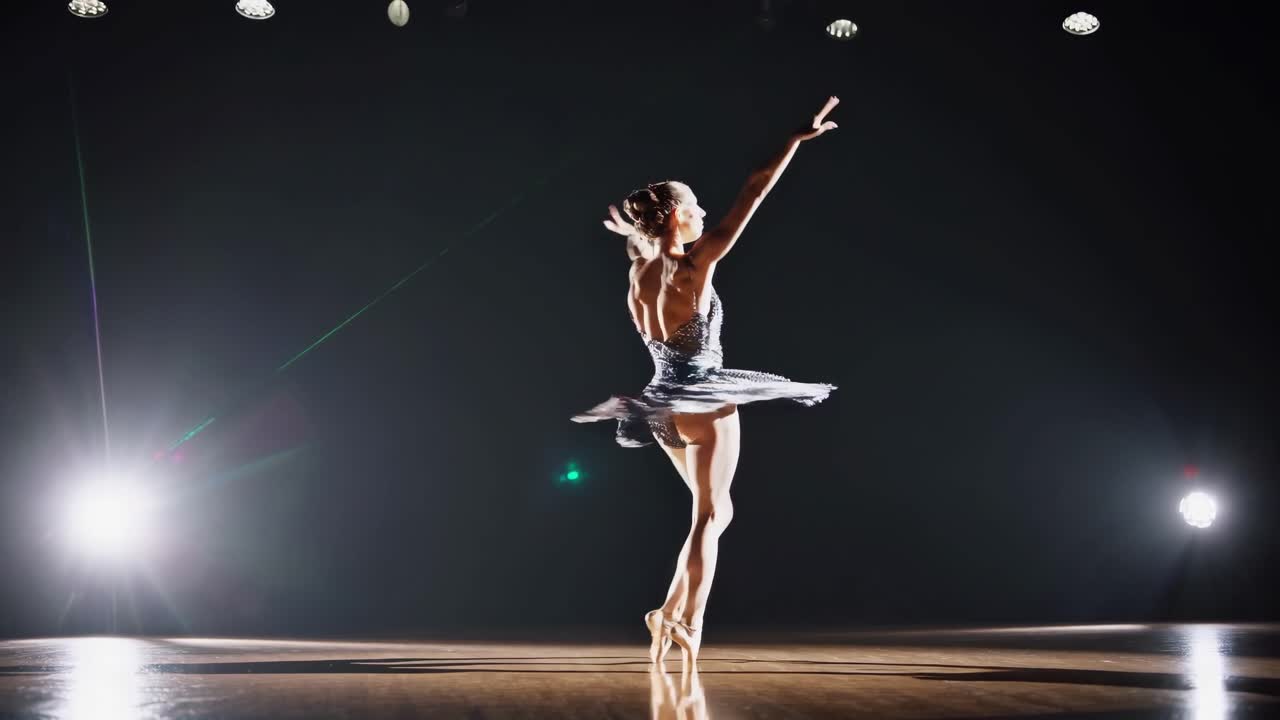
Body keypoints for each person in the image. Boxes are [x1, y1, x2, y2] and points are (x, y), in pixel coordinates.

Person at [572, 96, 841, 666]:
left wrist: (636, 229)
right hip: (704, 398)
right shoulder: (697, 266)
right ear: (674, 216)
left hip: (659, 407)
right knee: (709, 516)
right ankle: (686, 622)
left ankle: (665, 613)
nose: (703, 210)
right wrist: (793, 142)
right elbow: (753, 193)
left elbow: (645, 243)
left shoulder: (638, 271)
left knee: (716, 513)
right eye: (693, 205)